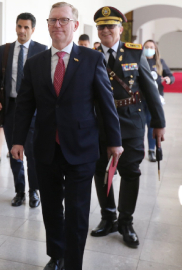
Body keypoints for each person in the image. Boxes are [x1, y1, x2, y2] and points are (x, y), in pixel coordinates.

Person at [11, 2, 123, 269]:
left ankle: (74, 263)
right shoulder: (35, 63)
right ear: (47, 25)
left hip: (82, 148)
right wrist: (17, 140)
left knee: (76, 211)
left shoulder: (91, 59)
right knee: (51, 208)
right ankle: (57, 255)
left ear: (74, 25)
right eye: (53, 20)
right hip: (46, 148)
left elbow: (106, 104)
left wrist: (115, 142)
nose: (57, 25)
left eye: (63, 20)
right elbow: (25, 104)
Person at [91, 7, 166, 248]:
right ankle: (108, 217)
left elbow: (150, 89)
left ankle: (125, 222)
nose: (105, 30)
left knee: (130, 172)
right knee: (101, 171)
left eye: (110, 26)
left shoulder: (135, 54)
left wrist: (158, 123)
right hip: (98, 124)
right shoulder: (89, 55)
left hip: (131, 123)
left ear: (120, 30)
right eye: (101, 27)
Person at [0, 12, 47, 208]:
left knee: (32, 153)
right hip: (11, 107)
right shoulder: (5, 50)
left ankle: (34, 191)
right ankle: (19, 191)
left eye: (26, 27)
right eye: (19, 26)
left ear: (33, 29)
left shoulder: (41, 50)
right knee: (14, 150)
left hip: (33, 110)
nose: (22, 31)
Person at [142, 39, 174, 161]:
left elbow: (170, 76)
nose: (149, 49)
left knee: (152, 125)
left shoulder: (159, 62)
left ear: (155, 49)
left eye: (151, 47)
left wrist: (168, 79)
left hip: (154, 100)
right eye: (146, 46)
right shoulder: (139, 60)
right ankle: (139, 150)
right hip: (140, 98)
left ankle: (151, 150)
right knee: (139, 126)